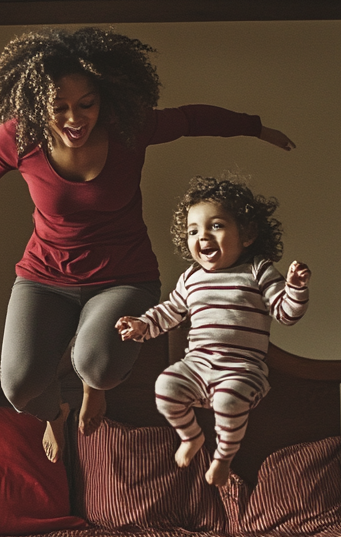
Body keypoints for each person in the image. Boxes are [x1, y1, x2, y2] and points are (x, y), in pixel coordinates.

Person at [0, 28, 295, 462]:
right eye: (59, 108)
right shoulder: (18, 138)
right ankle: (56, 415)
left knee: (97, 363)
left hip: (123, 277)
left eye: (86, 104)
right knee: (18, 386)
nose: (74, 119)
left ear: (104, 97)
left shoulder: (129, 128)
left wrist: (256, 128)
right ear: (36, 106)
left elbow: (192, 119)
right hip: (44, 279)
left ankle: (94, 388)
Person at [116, 176, 310, 487]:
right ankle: (191, 437)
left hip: (242, 369)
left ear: (246, 234)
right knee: (165, 386)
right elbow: (169, 312)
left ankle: (222, 457)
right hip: (197, 365)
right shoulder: (191, 277)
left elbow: (286, 314)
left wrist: (296, 289)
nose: (202, 236)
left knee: (228, 401)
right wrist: (141, 325)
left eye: (216, 226)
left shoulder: (257, 271)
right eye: (193, 231)